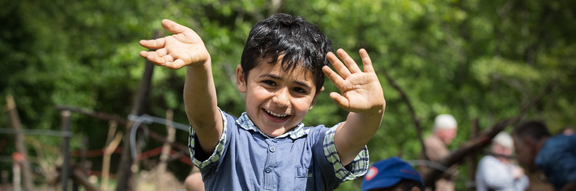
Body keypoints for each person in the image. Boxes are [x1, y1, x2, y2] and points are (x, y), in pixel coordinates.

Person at [139, 13, 386, 190]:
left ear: (314, 99)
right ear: (242, 79)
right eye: (270, 83)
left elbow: (354, 136)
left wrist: (373, 111)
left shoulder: (317, 148)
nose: (281, 100)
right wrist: (200, 66)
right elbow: (203, 117)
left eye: (299, 90)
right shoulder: (229, 140)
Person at [512, 120, 576, 191]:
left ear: (529, 145)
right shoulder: (554, 146)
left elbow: (574, 181)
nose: (519, 159)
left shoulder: (549, 153)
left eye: (518, 151)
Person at [422, 114, 457, 191]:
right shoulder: (432, 143)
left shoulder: (438, 144)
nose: (454, 135)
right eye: (451, 132)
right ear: (440, 132)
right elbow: (450, 169)